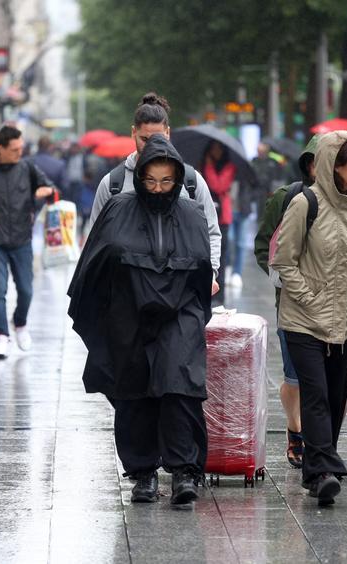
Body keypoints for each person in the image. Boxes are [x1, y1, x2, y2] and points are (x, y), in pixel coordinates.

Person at [68, 134, 213, 506]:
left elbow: (202, 268)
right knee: (134, 392)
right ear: (140, 177)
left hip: (179, 312)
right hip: (128, 312)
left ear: (177, 179)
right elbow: (94, 264)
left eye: (166, 181)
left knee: (180, 387)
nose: (159, 188)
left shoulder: (191, 214)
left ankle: (184, 470)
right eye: (151, 180)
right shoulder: (118, 208)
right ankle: (143, 472)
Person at [255, 134, 347, 469]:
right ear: (334, 165)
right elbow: (281, 260)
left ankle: (319, 466)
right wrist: (308, 297)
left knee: (336, 396)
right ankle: (322, 467)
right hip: (304, 319)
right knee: (313, 393)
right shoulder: (303, 203)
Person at [90, 93, 221, 296]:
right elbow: (95, 240)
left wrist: (210, 273)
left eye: (157, 138)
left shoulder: (191, 182)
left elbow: (210, 231)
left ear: (168, 133)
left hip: (181, 293)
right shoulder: (113, 184)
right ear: (133, 132)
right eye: (144, 139)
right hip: (127, 296)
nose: (151, 146)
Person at [0, 125, 57, 359]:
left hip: (22, 240)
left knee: (26, 290)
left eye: (21, 148)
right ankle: (1, 336)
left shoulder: (28, 168)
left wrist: (45, 194)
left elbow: (53, 191)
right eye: (14, 149)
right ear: (1, 148)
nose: (19, 152)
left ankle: (20, 323)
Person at [202, 140, 236, 305]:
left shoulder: (229, 167)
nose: (216, 152)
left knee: (220, 256)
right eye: (213, 148)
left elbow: (218, 186)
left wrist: (208, 167)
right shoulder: (200, 166)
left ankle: (219, 295)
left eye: (219, 149)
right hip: (204, 215)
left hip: (222, 217)